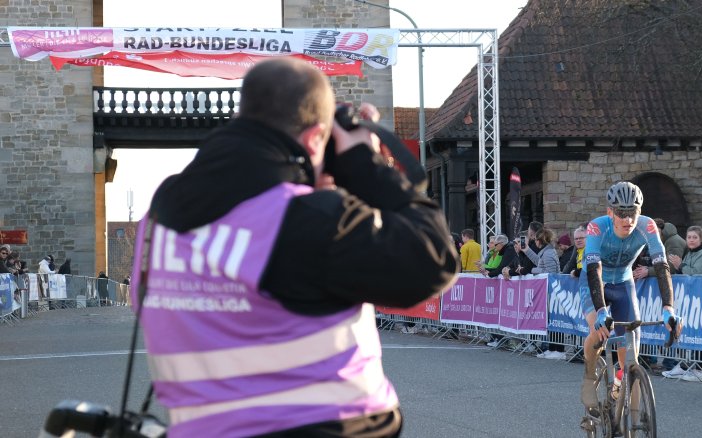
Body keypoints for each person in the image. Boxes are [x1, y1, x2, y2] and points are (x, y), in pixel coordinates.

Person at [130, 59, 459, 437]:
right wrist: (365, 168)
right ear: (315, 138)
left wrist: (308, 189)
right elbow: (432, 260)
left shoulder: (157, 223)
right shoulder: (303, 219)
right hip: (321, 426)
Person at [579, 181, 681, 410]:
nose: (628, 220)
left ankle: (622, 387)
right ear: (610, 213)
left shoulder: (648, 226)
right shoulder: (597, 227)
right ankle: (589, 376)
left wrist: (668, 308)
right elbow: (594, 270)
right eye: (621, 213)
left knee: (631, 349)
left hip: (624, 282)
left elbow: (662, 266)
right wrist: (601, 310)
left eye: (632, 213)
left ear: (640, 211)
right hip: (596, 281)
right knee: (598, 331)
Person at [662, 226, 702, 380]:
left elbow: (695, 273)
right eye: (689, 237)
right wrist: (679, 267)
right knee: (687, 331)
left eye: (694, 237)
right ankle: (696, 366)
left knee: (698, 332)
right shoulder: (689, 253)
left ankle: (698, 370)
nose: (691, 240)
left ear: (701, 239)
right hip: (690, 298)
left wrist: (680, 265)